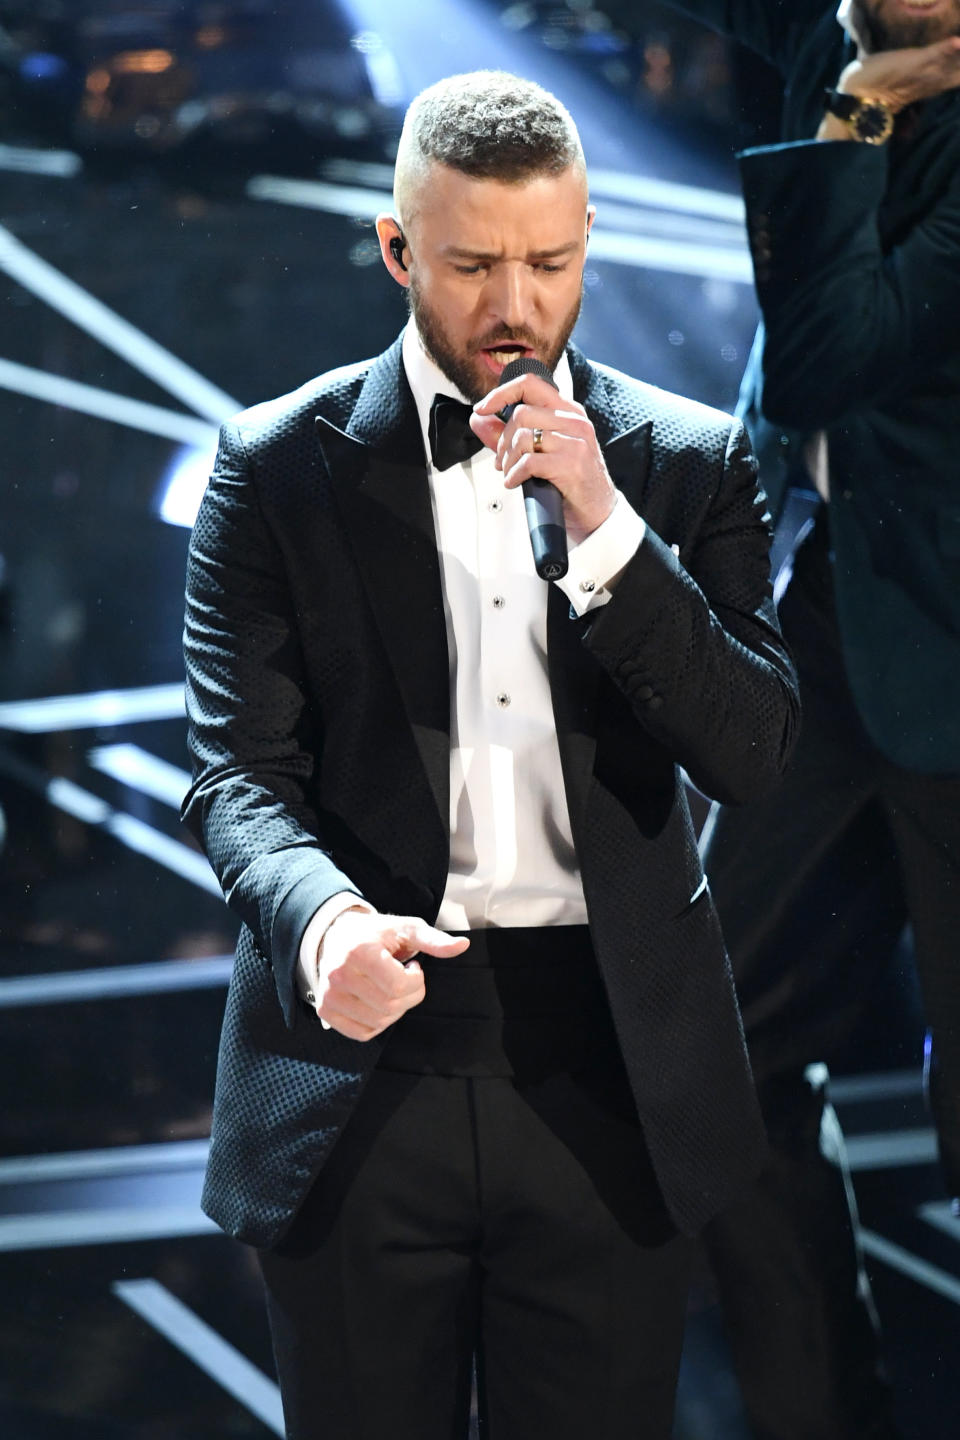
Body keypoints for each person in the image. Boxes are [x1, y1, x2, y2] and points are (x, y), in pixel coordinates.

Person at [181, 69, 799, 1440]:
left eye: (551, 262)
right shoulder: (276, 467)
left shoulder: (688, 465)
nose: (515, 305)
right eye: (471, 265)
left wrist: (609, 534)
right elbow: (236, 776)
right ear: (400, 248)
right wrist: (321, 923)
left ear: (588, 241)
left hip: (612, 1082)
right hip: (361, 1082)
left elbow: (753, 751)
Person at [604, 1, 960, 1435]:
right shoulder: (839, 26)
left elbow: (826, 353)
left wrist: (860, 118)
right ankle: (823, 1411)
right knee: (710, 1058)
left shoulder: (876, 77)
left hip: (951, 651)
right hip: (819, 633)